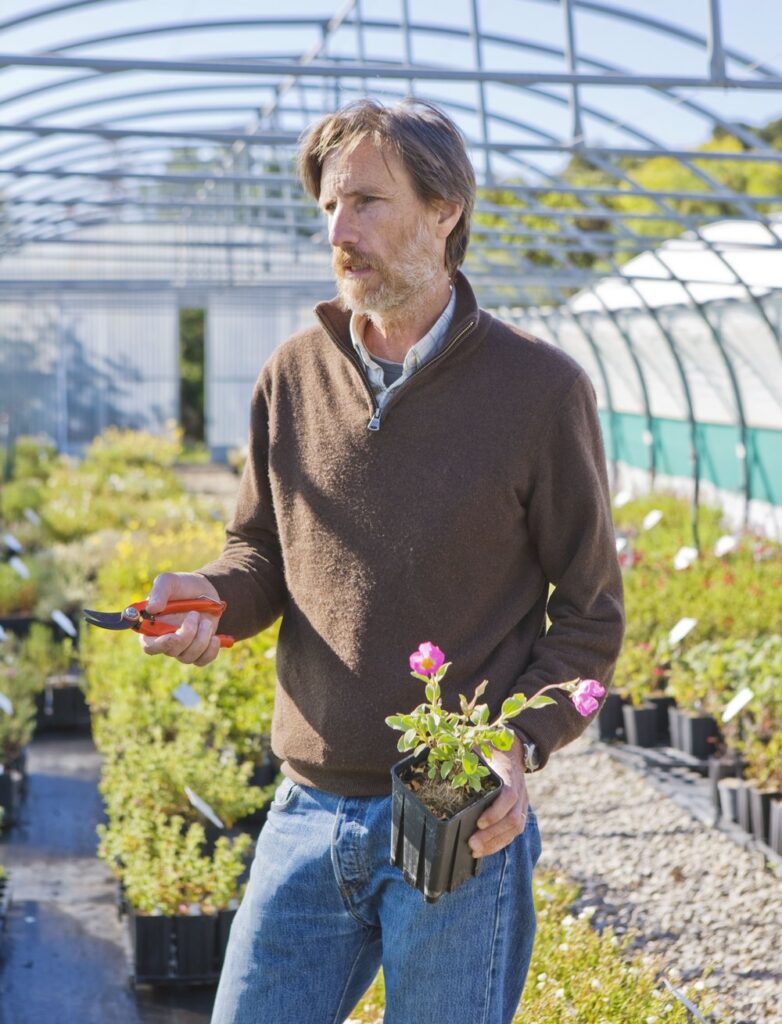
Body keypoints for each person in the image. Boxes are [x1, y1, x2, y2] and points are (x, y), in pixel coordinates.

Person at [142, 98, 625, 1024]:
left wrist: (518, 744)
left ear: (446, 211)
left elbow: (591, 614)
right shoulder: (293, 375)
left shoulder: (539, 390)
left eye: (366, 202)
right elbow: (261, 553)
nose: (339, 229)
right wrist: (211, 598)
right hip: (306, 809)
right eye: (328, 207)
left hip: (456, 807)